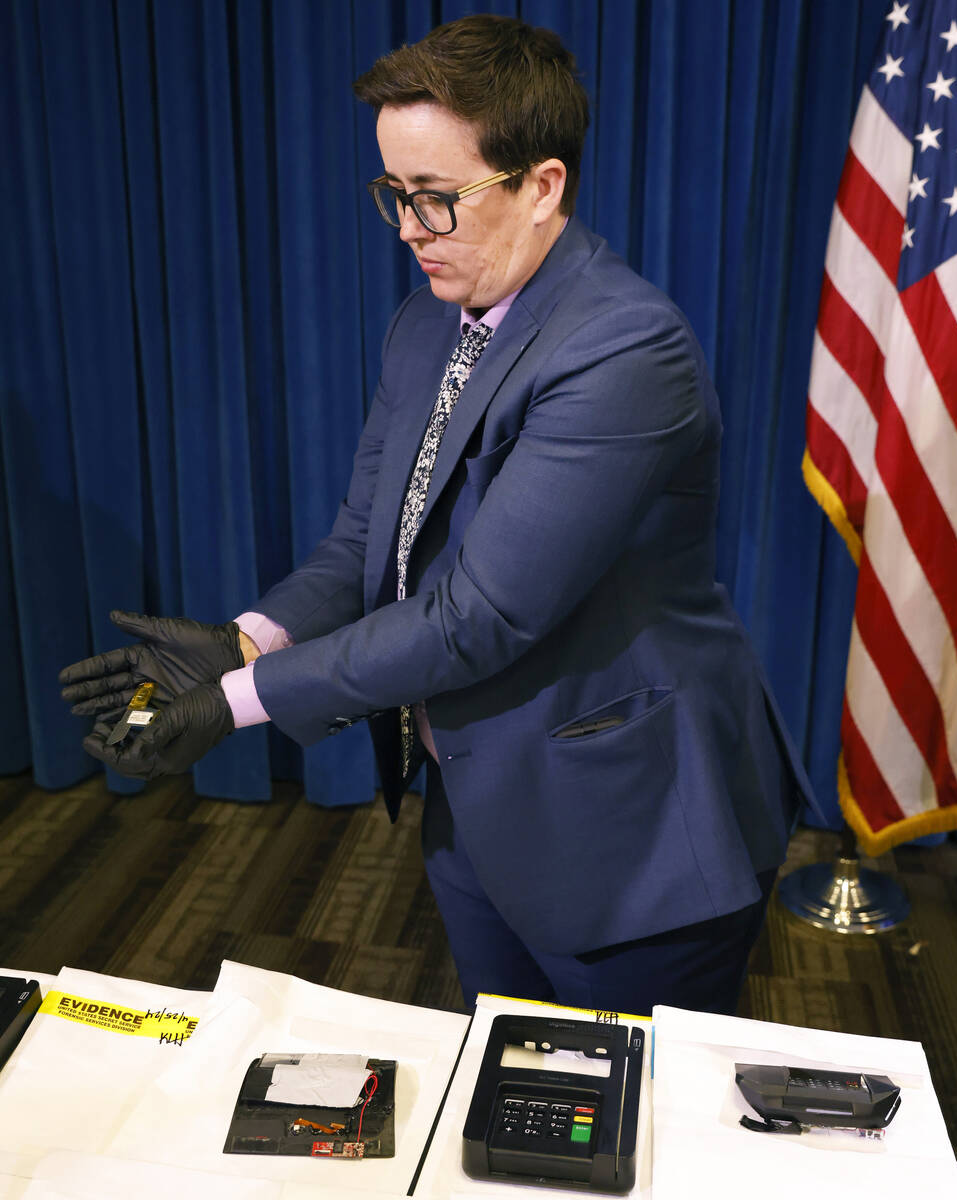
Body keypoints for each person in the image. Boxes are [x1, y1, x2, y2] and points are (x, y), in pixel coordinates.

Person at [60, 14, 816, 1017]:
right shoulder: (424, 321)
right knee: (499, 1109)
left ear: (541, 186)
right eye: (393, 196)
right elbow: (366, 541)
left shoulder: (626, 350)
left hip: (628, 837)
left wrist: (239, 703)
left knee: (627, 1142)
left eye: (436, 200)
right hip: (473, 806)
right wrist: (243, 638)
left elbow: (474, 617)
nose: (410, 230)